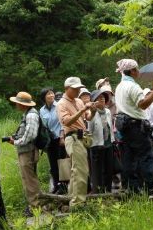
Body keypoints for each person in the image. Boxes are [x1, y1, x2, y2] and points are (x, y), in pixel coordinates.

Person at [114, 59, 153, 197]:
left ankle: (134, 189)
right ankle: (150, 189)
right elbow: (143, 104)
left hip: (124, 126)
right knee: (145, 157)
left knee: (129, 159)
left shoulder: (119, 87)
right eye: (137, 69)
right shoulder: (133, 87)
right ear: (132, 71)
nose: (139, 71)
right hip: (136, 127)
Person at [57, 77, 97, 208]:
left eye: (79, 88)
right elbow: (66, 122)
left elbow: (88, 117)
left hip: (82, 137)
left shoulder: (79, 101)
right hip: (73, 137)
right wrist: (82, 110)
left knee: (76, 171)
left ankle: (71, 199)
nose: (77, 91)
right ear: (67, 88)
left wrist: (94, 109)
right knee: (81, 171)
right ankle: (78, 203)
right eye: (75, 89)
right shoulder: (61, 103)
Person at [8, 92, 41, 216]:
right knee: (28, 179)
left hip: (28, 152)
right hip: (26, 151)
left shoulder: (31, 115)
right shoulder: (28, 114)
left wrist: (16, 142)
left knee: (30, 180)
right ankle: (34, 204)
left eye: (17, 102)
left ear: (22, 104)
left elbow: (31, 135)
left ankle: (35, 207)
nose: (16, 104)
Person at [39, 87, 67, 194]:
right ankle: (56, 185)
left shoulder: (59, 105)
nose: (51, 95)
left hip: (60, 138)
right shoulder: (41, 110)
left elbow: (62, 122)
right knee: (53, 165)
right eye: (48, 94)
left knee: (62, 163)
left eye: (52, 93)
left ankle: (63, 186)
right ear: (44, 97)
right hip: (50, 141)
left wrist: (62, 136)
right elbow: (43, 127)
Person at [88, 90, 115, 193]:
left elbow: (110, 128)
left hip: (108, 144)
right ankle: (97, 193)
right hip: (96, 145)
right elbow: (89, 130)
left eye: (103, 97)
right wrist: (92, 113)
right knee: (97, 171)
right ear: (94, 101)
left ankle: (108, 191)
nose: (102, 99)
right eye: (99, 98)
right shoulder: (91, 113)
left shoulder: (108, 111)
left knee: (108, 170)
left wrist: (112, 140)